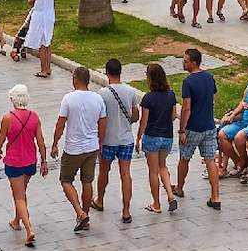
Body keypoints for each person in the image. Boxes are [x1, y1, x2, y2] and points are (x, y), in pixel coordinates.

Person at [51, 66, 105, 233]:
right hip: (91, 147)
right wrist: (100, 143)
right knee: (87, 182)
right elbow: (102, 123)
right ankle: (86, 214)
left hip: (73, 148)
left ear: (75, 79)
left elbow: (60, 124)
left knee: (66, 180)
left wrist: (54, 143)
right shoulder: (98, 99)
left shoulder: (68, 99)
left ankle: (80, 213)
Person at [0, 84, 47, 247]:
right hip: (31, 160)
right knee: (22, 192)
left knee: (19, 196)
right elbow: (41, 141)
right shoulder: (34, 116)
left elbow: (0, 140)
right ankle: (16, 220)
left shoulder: (8, 118)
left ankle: (29, 229)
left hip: (14, 161)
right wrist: (44, 161)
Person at [96, 58, 139, 222]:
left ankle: (99, 200)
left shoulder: (103, 93)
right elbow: (135, 115)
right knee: (126, 174)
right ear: (120, 72)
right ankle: (126, 211)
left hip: (108, 139)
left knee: (103, 171)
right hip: (126, 138)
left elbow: (100, 119)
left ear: (106, 73)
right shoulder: (130, 91)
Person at [177, 48, 220, 209]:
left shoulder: (188, 82)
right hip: (209, 126)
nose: (183, 63)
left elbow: (186, 108)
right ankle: (215, 197)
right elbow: (213, 97)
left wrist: (182, 130)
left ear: (193, 63)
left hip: (193, 127)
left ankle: (180, 188)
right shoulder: (209, 77)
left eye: (185, 60)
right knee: (210, 160)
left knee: (184, 158)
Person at [137, 63, 178, 214]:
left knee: (153, 171)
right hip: (167, 137)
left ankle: (156, 204)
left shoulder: (148, 98)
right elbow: (174, 116)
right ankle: (170, 195)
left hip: (152, 136)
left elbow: (144, 121)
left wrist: (138, 137)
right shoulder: (171, 94)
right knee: (163, 167)